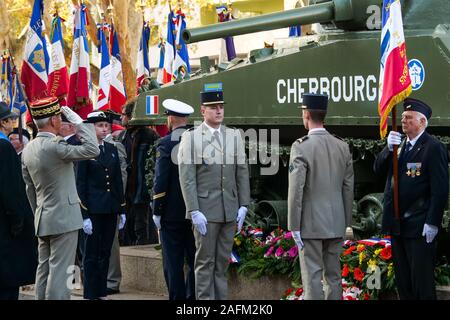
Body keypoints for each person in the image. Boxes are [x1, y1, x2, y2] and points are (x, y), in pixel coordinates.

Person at [21, 97, 100, 300]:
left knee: (44, 270)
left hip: (43, 217)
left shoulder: (28, 148)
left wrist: (38, 213)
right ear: (54, 121)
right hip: (64, 219)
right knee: (61, 272)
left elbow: (30, 189)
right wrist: (80, 124)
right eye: (58, 117)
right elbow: (93, 149)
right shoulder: (55, 147)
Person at [177, 86, 250, 300]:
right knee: (204, 263)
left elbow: (242, 171)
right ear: (202, 111)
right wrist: (193, 210)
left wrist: (243, 204)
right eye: (213, 108)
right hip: (205, 212)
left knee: (222, 263)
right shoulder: (191, 138)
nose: (218, 111)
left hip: (229, 210)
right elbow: (187, 177)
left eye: (220, 107)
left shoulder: (233, 135)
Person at [373, 98, 449, 300]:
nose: (403, 121)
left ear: (422, 122)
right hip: (398, 225)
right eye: (403, 117)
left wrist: (432, 222)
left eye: (409, 118)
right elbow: (378, 170)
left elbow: (440, 190)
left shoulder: (432, 147)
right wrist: (387, 149)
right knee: (403, 282)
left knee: (421, 283)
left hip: (419, 225)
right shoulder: (399, 145)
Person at [287, 93, 354, 300]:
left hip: (310, 225)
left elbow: (296, 190)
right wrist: (345, 222)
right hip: (335, 223)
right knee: (334, 277)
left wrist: (294, 226)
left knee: (312, 278)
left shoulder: (301, 146)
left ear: (306, 114)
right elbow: (348, 187)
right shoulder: (342, 146)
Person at [76, 111, 125, 300]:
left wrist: (121, 209)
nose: (105, 129)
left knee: (105, 252)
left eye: (106, 126)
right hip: (93, 209)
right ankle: (90, 293)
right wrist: (85, 214)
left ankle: (102, 291)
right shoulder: (84, 150)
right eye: (100, 126)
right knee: (91, 254)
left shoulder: (111, 149)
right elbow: (80, 184)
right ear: (91, 128)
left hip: (110, 208)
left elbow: (117, 182)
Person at [152, 99, 196, 300]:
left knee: (173, 261)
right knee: (196, 259)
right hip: (196, 210)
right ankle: (193, 298)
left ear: (170, 118)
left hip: (172, 212)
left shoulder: (166, 143)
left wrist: (157, 210)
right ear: (186, 118)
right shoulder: (200, 139)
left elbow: (161, 180)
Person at [0, 102, 37, 300]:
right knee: (7, 283)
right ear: (3, 122)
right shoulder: (4, 147)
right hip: (5, 226)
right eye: (9, 119)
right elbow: (11, 190)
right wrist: (18, 221)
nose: (12, 123)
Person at [119, 99, 159, 245]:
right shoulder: (122, 137)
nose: (121, 118)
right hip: (127, 192)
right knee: (128, 229)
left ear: (131, 116)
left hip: (143, 192)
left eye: (123, 115)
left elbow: (154, 165)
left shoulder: (150, 136)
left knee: (144, 230)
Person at [104, 112, 128, 295]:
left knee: (111, 242)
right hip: (90, 203)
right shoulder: (83, 146)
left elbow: (122, 175)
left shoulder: (115, 145)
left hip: (110, 201)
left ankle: (112, 280)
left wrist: (119, 201)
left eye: (105, 125)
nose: (103, 128)